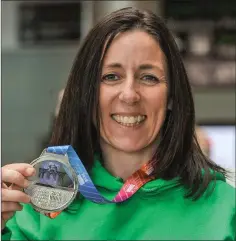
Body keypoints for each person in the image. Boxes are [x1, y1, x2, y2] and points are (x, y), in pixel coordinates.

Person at [1, 7, 235, 240]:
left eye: (148, 77)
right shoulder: (37, 206)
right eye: (111, 76)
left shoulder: (225, 211)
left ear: (172, 95)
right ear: (86, 93)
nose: (129, 94)